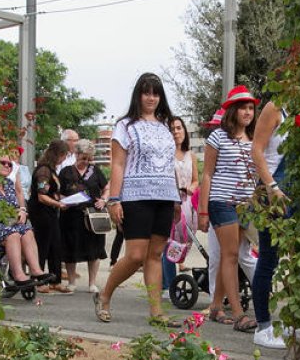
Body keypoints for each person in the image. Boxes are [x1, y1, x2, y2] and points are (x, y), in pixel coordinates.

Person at [95, 72, 181, 325]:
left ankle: (156, 313)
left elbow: (169, 164)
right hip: (135, 197)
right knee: (135, 256)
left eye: (155, 93)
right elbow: (118, 165)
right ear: (138, 95)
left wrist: (176, 199)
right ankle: (104, 295)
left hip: (165, 196)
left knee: (155, 255)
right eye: (146, 92)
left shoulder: (167, 125)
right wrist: (114, 200)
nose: (151, 98)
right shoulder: (125, 125)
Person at [198, 85, 260, 332]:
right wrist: (203, 211)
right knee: (231, 255)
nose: (248, 112)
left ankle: (215, 306)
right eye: (243, 108)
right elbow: (207, 175)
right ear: (232, 111)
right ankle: (238, 314)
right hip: (222, 202)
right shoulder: (217, 137)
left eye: (251, 108)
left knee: (229, 256)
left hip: (248, 205)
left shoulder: (255, 138)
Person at [250, 103, 290, 350]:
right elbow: (257, 150)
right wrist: (271, 186)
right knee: (268, 259)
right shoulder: (275, 108)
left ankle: (294, 321)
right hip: (273, 191)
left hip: (298, 192)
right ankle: (263, 325)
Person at [0, 151, 55, 291]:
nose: (7, 165)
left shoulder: (8, 183)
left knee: (27, 231)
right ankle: (17, 274)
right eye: (3, 163)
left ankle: (36, 270)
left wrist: (21, 210)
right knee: (13, 234)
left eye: (10, 164)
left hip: (9, 223)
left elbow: (16, 203)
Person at [61, 139, 109, 293]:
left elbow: (106, 188)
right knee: (70, 248)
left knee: (94, 249)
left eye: (89, 158)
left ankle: (92, 283)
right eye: (84, 158)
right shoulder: (66, 172)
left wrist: (104, 200)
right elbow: (59, 192)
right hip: (71, 215)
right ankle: (72, 281)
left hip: (93, 216)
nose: (87, 161)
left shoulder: (95, 170)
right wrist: (63, 201)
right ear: (76, 154)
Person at [29, 140, 72, 294]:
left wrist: (61, 198)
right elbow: (41, 196)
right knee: (43, 246)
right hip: (41, 213)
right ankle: (39, 281)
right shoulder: (44, 171)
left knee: (55, 246)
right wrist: (58, 204)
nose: (65, 159)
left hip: (51, 213)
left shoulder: (52, 170)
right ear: (58, 154)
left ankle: (55, 280)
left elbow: (51, 192)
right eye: (64, 155)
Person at [162, 116, 197, 290]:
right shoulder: (165, 155)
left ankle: (165, 283)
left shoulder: (191, 155)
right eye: (172, 129)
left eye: (179, 128)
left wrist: (191, 186)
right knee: (169, 244)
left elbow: (197, 180)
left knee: (183, 243)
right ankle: (169, 285)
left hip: (188, 205)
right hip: (170, 203)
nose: (176, 132)